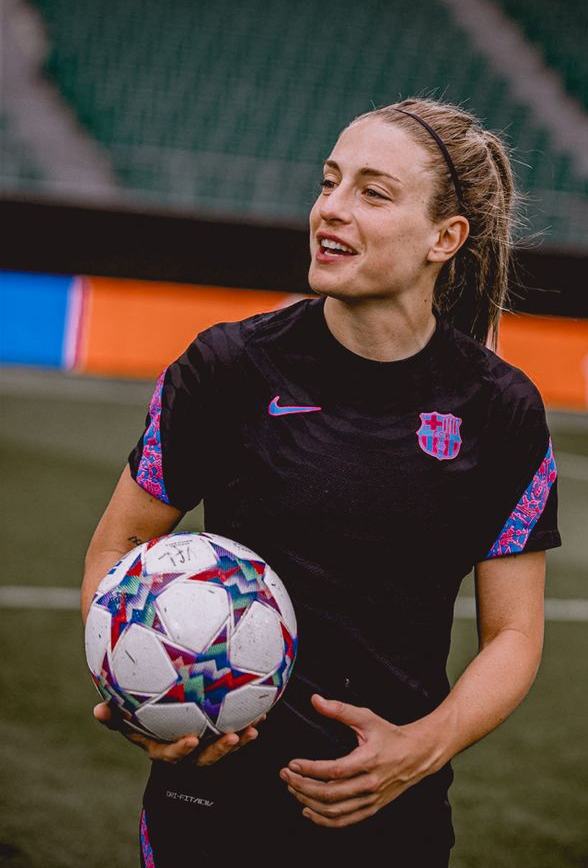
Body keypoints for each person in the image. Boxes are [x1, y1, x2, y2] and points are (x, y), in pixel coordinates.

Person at [82, 97, 560, 868]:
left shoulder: (501, 410)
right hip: (209, 814)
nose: (330, 210)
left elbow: (515, 633)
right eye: (329, 181)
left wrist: (419, 747)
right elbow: (121, 541)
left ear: (446, 237)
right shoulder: (226, 368)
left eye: (372, 192)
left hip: (393, 823)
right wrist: (142, 697)